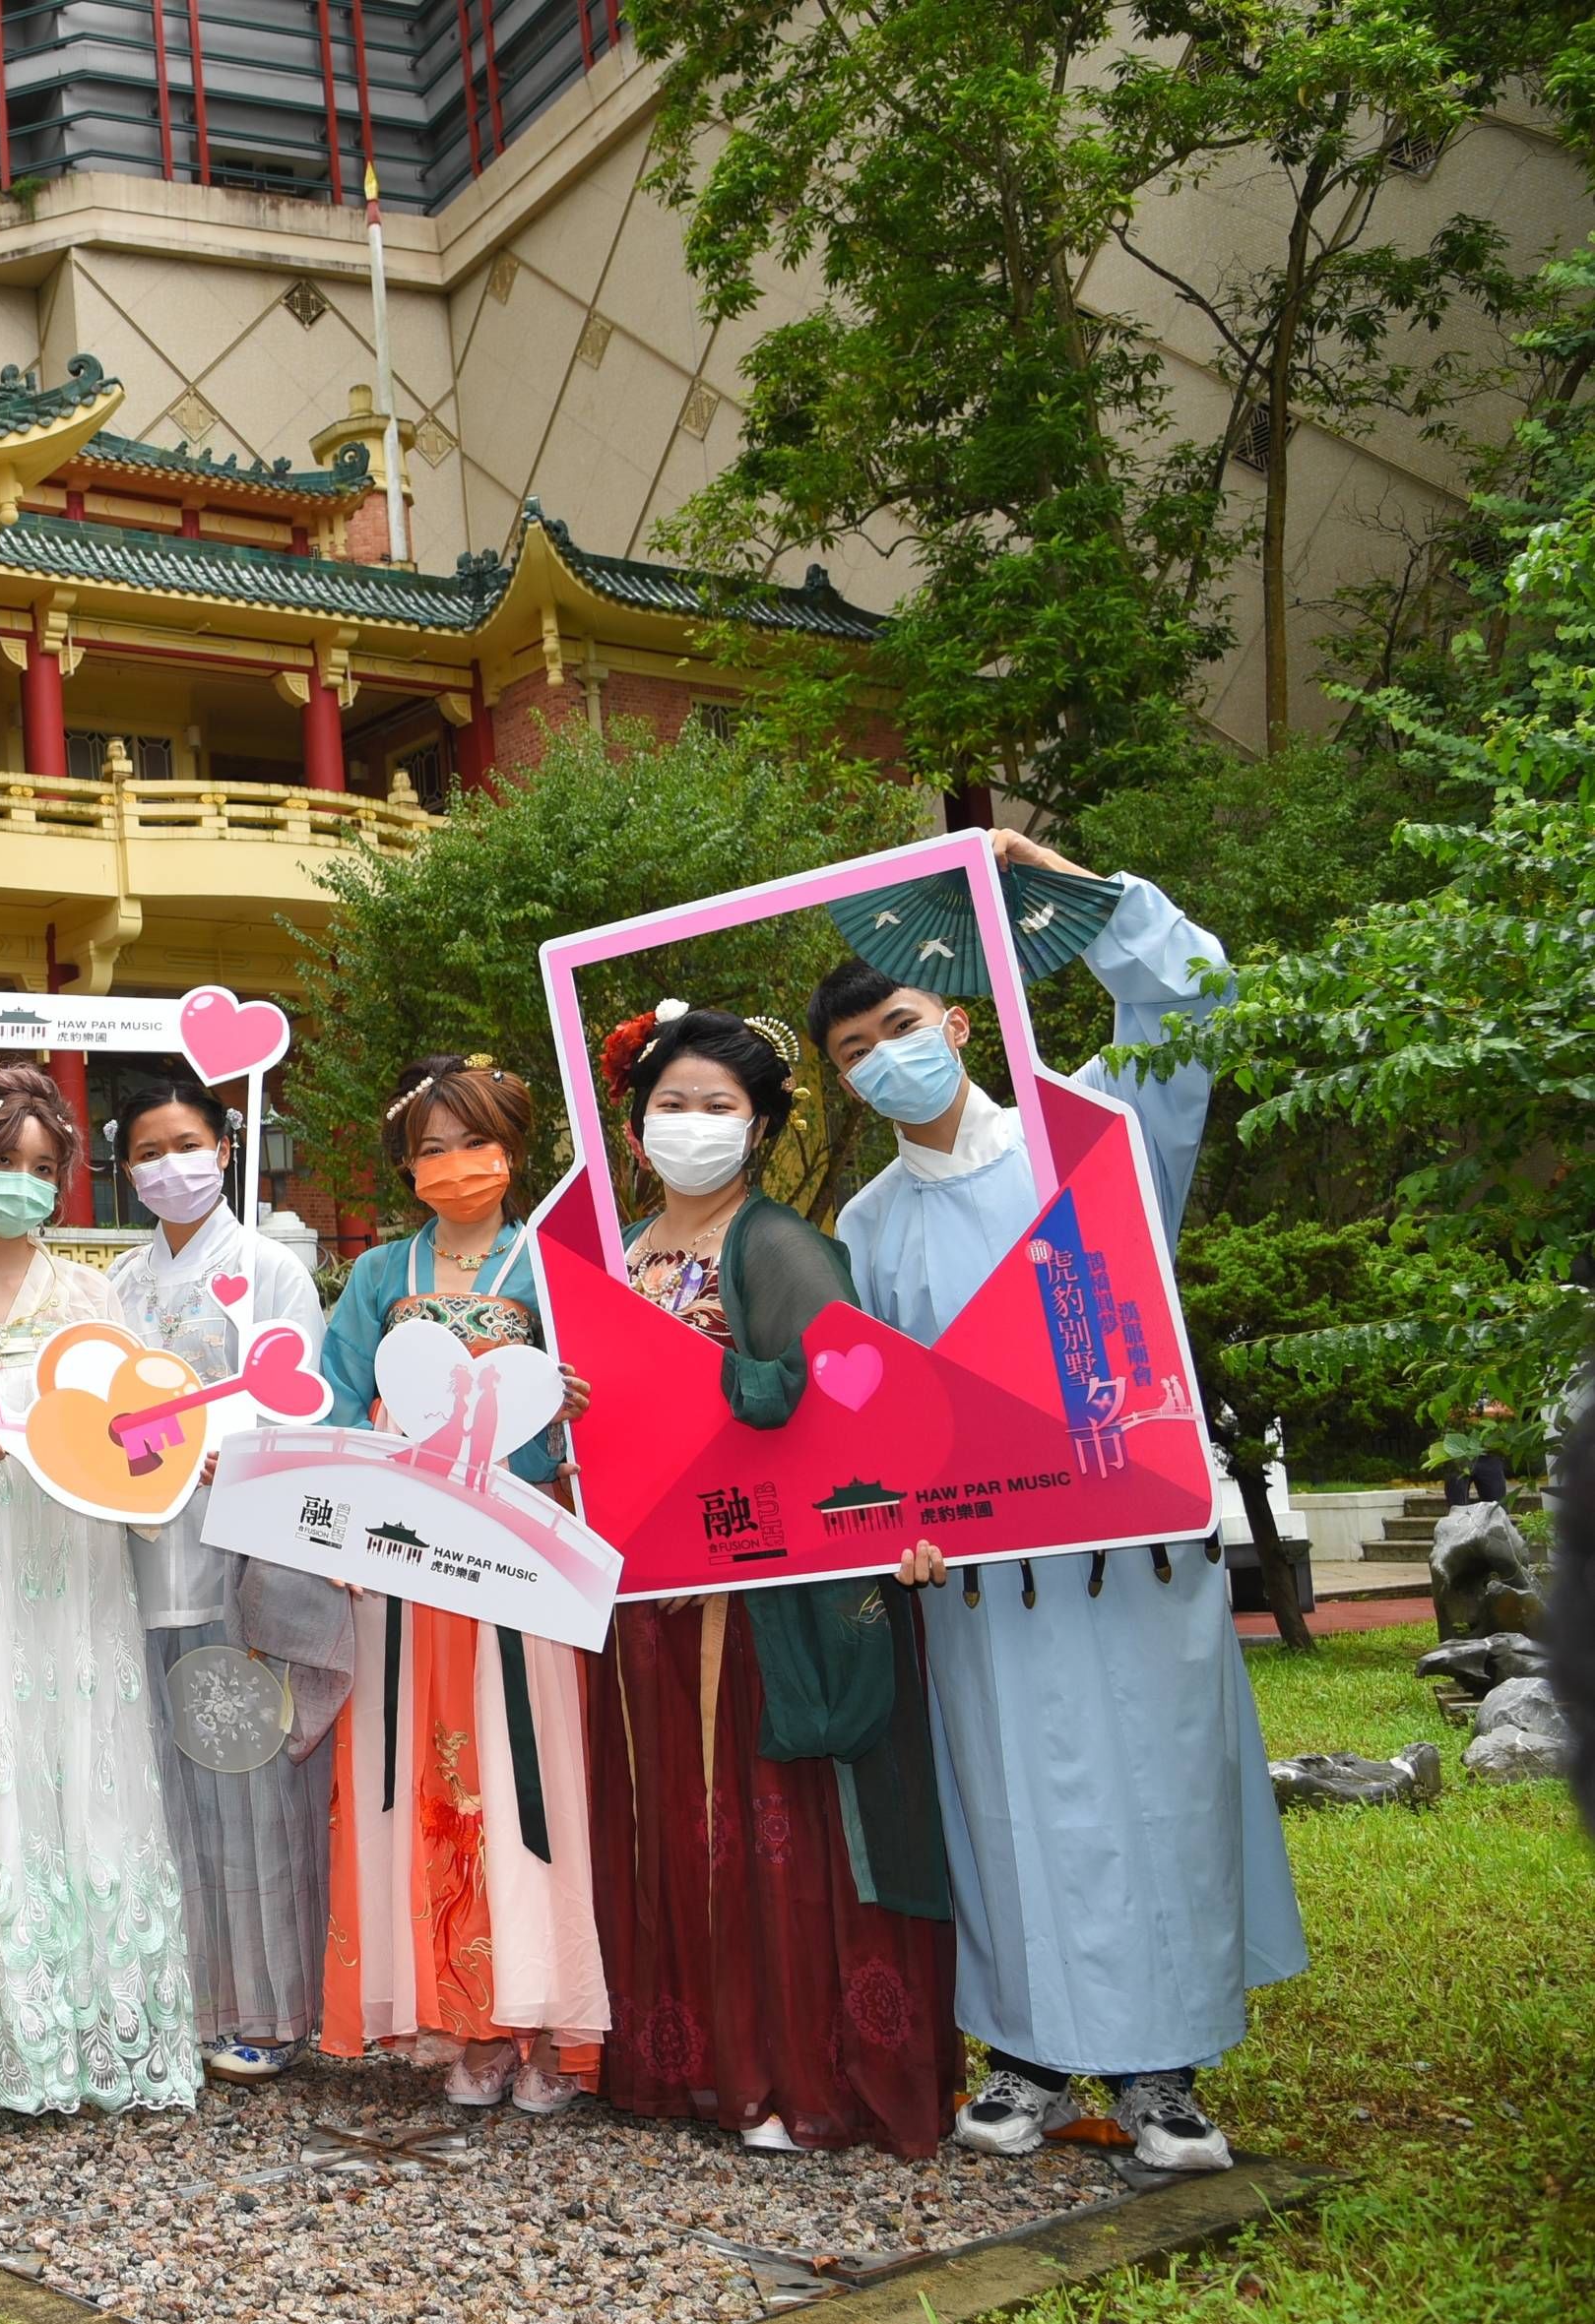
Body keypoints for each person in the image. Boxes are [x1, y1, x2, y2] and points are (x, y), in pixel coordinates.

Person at [810, 831, 1306, 2173]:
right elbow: (867, 1412)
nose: (883, 1057)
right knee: (1004, 1798)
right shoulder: (864, 1224)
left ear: (958, 1019)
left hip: (1129, 1552)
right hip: (982, 1577)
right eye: (855, 1049)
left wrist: (1076, 891)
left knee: (1155, 1791)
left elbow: (1191, 999)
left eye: (899, 1025)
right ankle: (1024, 2052)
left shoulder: (1093, 1131)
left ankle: (1164, 2071)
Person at [581, 1008, 960, 2157]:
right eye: (669, 1107)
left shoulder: (780, 1245)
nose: (690, 1126)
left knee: (769, 1823)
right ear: (635, 1129)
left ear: (761, 1124)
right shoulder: (621, 1250)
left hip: (760, 1592)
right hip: (644, 1587)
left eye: (717, 1106)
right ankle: (700, 2061)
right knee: (677, 1823)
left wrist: (735, 1392)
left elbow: (853, 1390)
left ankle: (804, 2071)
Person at [312, 1054, 606, 2112]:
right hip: (402, 1562)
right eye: (429, 1148)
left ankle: (535, 2013)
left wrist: (568, 1404)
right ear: (405, 1164)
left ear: (512, 1151)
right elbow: (335, 1400)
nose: (452, 1164)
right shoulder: (378, 1275)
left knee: (520, 1781)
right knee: (421, 1781)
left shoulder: (554, 1265)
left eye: (471, 1142)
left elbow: (607, 1400)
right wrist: (380, 1436)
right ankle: (460, 2020)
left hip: (516, 1562)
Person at [0, 1063, 198, 2115]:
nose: (24, 1185)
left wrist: (177, 1444)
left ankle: (99, 2029)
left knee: (82, 1752)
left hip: (71, 1558)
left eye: (44, 1168)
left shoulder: (91, 1296)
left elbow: (143, 1428)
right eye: (4, 1163)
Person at [104, 1074, 343, 2085]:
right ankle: (194, 1996)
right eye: (149, 1152)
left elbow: (300, 1414)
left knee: (249, 1782)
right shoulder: (114, 1285)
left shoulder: (270, 1269)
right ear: (125, 1169)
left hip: (235, 1557)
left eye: (186, 1144)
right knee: (167, 1790)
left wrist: (221, 1452)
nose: (170, 1166)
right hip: (134, 1555)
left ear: (224, 1146)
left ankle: (274, 2007)